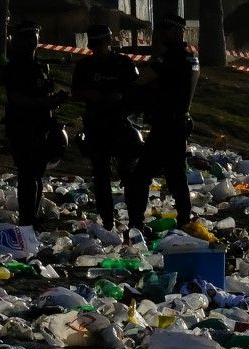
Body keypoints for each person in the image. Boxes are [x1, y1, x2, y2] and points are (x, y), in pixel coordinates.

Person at [128, 17, 199, 232]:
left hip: (167, 124)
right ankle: (184, 219)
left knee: (141, 175)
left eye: (167, 30)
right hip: (180, 121)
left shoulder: (172, 57)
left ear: (178, 31)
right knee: (176, 175)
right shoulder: (191, 57)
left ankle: (135, 223)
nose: (162, 35)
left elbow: (142, 79)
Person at [70, 25, 141, 230]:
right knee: (101, 176)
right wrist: (95, 96)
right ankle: (108, 221)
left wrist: (121, 97)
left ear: (109, 42)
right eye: (94, 45)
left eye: (100, 44)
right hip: (96, 125)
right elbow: (76, 92)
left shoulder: (123, 63)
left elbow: (136, 89)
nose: (98, 49)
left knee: (129, 173)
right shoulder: (85, 66)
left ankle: (135, 220)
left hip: (120, 124)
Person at [2, 20, 66, 226]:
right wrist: (45, 102)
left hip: (41, 127)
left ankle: (33, 217)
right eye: (27, 36)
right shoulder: (15, 67)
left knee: (36, 174)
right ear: (18, 40)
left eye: (34, 36)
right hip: (22, 127)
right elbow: (17, 98)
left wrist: (54, 101)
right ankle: (27, 219)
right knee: (28, 175)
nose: (32, 40)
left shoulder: (38, 66)